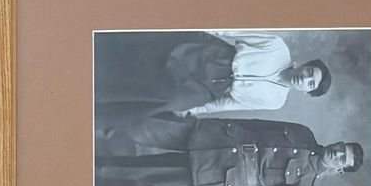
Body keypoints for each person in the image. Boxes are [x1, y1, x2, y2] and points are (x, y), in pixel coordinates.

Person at [94, 112, 364, 186]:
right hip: (213, 137)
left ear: (340, 169)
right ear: (339, 142)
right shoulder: (304, 133)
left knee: (139, 172)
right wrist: (217, 124)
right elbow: (256, 123)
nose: (337, 153)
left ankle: (91, 169)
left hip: (216, 172)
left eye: (343, 159)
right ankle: (90, 120)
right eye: (342, 148)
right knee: (141, 126)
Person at [94, 30, 332, 117]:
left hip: (211, 90)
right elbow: (237, 30)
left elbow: (231, 104)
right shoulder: (277, 46)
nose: (305, 78)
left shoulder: (276, 101)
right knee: (160, 55)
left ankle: (102, 95)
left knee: (169, 100)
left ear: (306, 92)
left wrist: (197, 109)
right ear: (304, 64)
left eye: (310, 84)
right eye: (310, 72)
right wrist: (206, 25)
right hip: (214, 56)